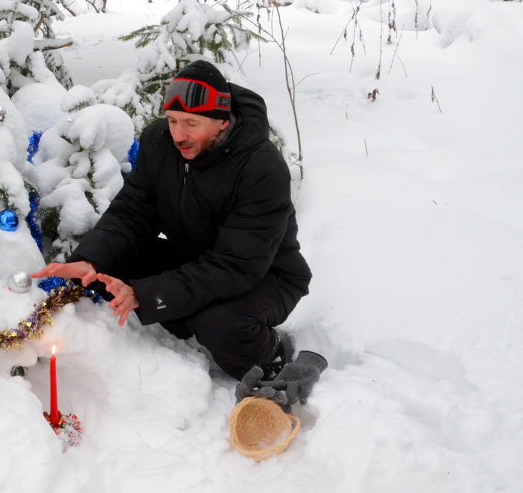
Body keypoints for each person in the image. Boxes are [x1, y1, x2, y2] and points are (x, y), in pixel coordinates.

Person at [34, 60, 324, 402]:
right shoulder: (160, 142)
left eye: (191, 123)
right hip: (193, 259)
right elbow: (132, 213)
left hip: (265, 275)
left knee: (221, 326)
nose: (178, 134)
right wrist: (91, 261)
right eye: (172, 121)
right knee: (105, 273)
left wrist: (148, 294)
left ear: (221, 121)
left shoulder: (262, 168)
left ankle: (271, 352)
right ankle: (186, 315)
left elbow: (236, 266)